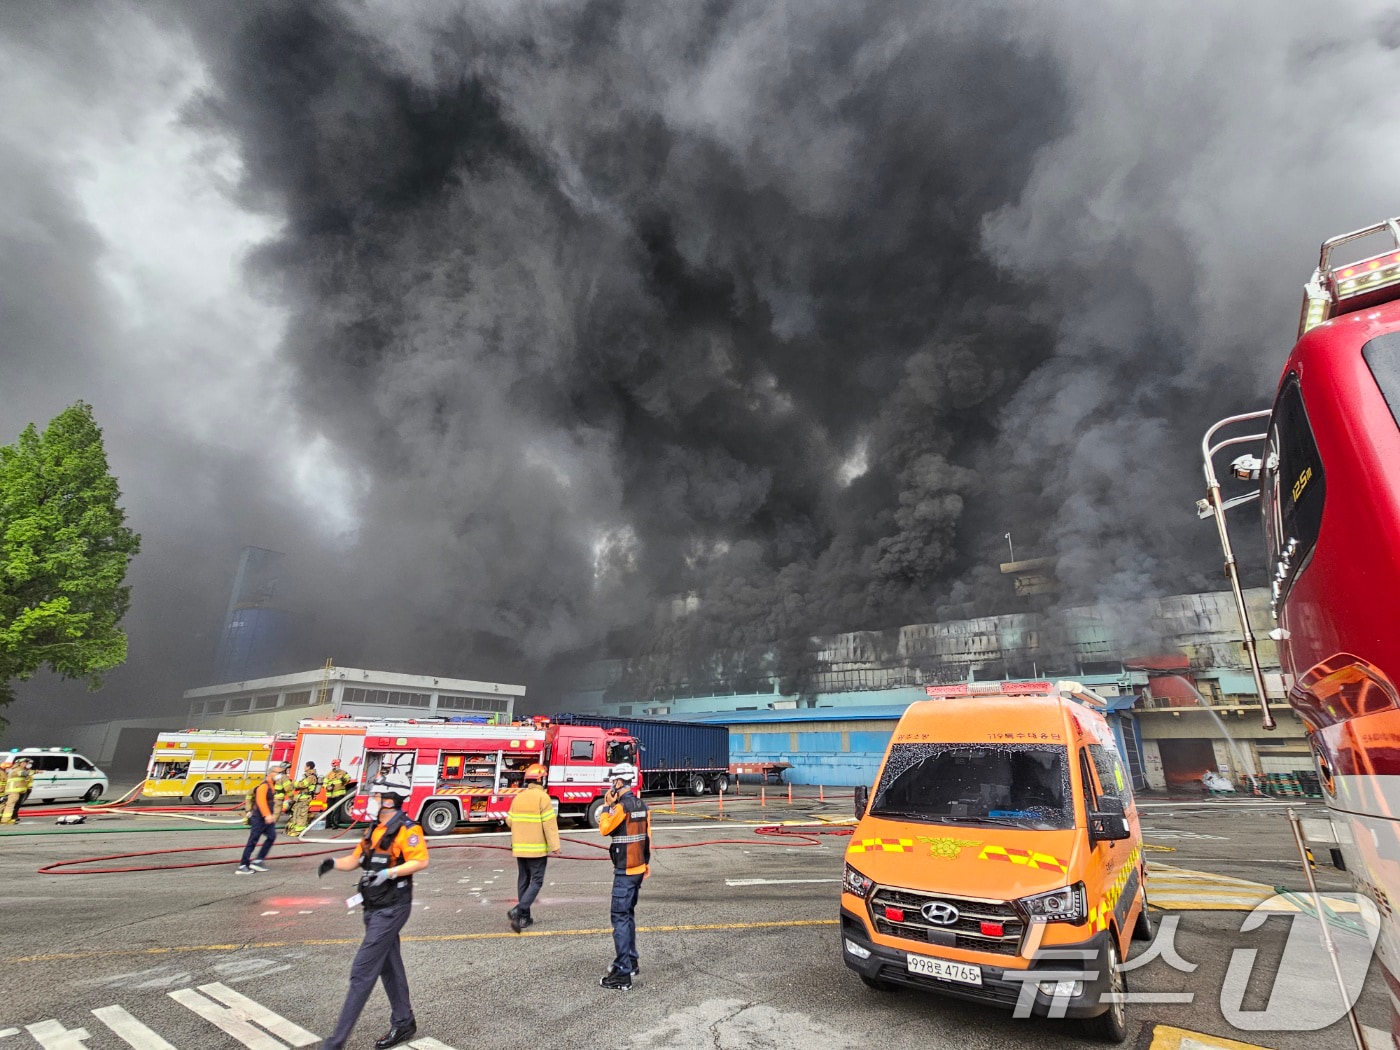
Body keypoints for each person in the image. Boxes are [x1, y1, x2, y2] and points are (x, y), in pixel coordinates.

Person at [316, 787, 428, 1050]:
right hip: (373, 906)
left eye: (376, 799)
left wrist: (390, 873)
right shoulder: (373, 829)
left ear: (389, 804)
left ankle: (335, 1043)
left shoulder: (408, 830)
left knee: (362, 971)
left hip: (392, 908)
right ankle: (404, 1022)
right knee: (390, 966)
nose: (371, 803)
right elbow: (356, 859)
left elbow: (420, 861)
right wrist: (333, 862)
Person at [597, 762, 650, 990]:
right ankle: (632, 960)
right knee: (628, 915)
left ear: (619, 782)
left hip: (625, 871)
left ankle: (622, 973)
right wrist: (646, 864)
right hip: (638, 868)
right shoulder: (642, 805)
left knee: (619, 917)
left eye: (613, 782)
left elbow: (604, 829)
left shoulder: (622, 807)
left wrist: (608, 807)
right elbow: (647, 836)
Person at [505, 763, 561, 932]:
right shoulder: (543, 798)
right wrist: (555, 846)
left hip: (520, 848)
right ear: (540, 779)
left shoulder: (518, 797)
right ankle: (519, 910)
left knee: (524, 880)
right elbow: (549, 825)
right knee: (536, 881)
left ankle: (524, 919)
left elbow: (509, 821)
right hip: (536, 849)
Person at [236, 765, 280, 874]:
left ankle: (258, 860)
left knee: (272, 836)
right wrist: (266, 815)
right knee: (253, 840)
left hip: (266, 818)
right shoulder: (263, 786)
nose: (280, 775)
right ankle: (243, 866)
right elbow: (261, 801)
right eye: (278, 772)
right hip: (259, 818)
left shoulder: (272, 785)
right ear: (270, 773)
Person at [287, 761, 319, 836]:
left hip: (305, 799)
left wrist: (293, 782)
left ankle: (299, 831)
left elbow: (302, 785)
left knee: (301, 815)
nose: (304, 767)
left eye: (305, 766)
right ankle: (294, 829)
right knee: (297, 813)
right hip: (301, 798)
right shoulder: (307, 776)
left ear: (308, 767)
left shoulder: (311, 777)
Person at [323, 759, 352, 830]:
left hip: (339, 793)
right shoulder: (329, 774)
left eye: (336, 765)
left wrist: (344, 780)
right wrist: (327, 786)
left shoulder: (343, 773)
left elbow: (348, 779)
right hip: (330, 794)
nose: (334, 767)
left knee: (337, 809)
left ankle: (336, 823)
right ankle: (328, 824)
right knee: (329, 809)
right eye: (333, 765)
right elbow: (324, 783)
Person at [0, 758, 22, 825]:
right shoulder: (2, 773)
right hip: (1, 792)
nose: (9, 769)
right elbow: (3, 783)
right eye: (8, 768)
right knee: (2, 805)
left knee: (2, 805)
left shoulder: (3, 773)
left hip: (3, 792)